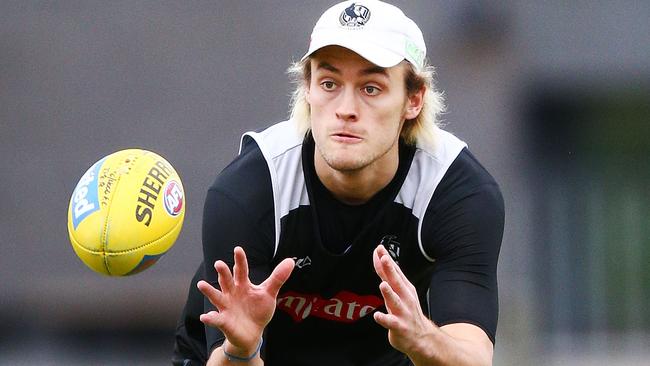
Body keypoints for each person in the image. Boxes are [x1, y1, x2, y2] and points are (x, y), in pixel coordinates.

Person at [173, 1, 504, 365]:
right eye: (329, 83)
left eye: (371, 88)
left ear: (413, 100)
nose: (346, 108)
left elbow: (473, 357)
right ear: (308, 91)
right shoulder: (250, 190)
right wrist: (242, 349)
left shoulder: (456, 191)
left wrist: (424, 339)